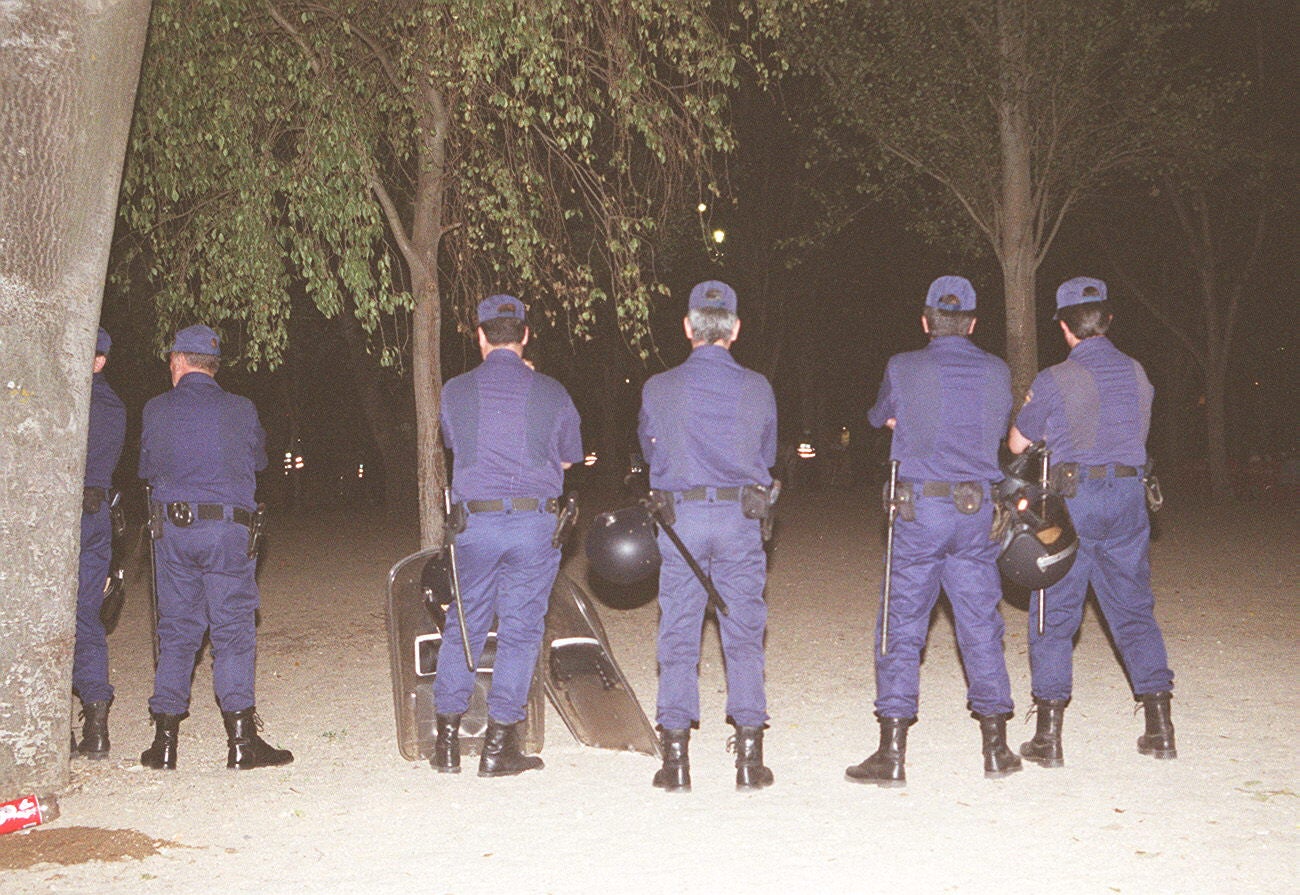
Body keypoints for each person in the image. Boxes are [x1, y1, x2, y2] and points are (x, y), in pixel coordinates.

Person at [847, 276, 1021, 786]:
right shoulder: (997, 371)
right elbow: (994, 425)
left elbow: (879, 416)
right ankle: (996, 747)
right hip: (975, 513)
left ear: (925, 321)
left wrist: (906, 419)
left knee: (901, 624)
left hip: (921, 510)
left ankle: (892, 752)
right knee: (980, 623)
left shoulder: (903, 366)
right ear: (972, 323)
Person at [1008, 277, 1175, 766]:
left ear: (1064, 327)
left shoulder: (1054, 378)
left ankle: (1048, 737)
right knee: (1133, 609)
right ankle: (1160, 728)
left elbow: (1018, 445)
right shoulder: (1139, 373)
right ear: (1108, 320)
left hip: (1074, 498)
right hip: (1128, 494)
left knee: (1054, 613)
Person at [433, 295, 583, 777]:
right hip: (532, 524)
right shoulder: (553, 391)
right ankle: (499, 748)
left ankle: (448, 746)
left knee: (464, 624)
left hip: (475, 524)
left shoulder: (455, 390)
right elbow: (566, 460)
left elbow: (458, 444)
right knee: (520, 631)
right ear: (525, 335)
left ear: (479, 336)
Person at [638, 280, 778, 792]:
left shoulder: (659, 387)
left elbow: (651, 454)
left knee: (678, 631)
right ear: (735, 329)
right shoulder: (759, 387)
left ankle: (675, 761)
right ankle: (748, 757)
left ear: (687, 328)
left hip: (682, 522)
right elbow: (768, 454)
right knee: (742, 632)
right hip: (740, 519)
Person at [138, 325, 291, 771]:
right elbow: (260, 461)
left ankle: (164, 744)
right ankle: (241, 742)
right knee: (232, 632)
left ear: (179, 362)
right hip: (228, 532)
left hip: (175, 532)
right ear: (211, 365)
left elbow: (146, 469)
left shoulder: (155, 410)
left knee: (178, 631)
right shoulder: (241, 409)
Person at [73, 327, 126, 759]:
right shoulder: (112, 405)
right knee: (84, 615)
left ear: (100, 360)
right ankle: (95, 722)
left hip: (75, 516)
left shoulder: (82, 403)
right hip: (95, 513)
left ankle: (79, 720)